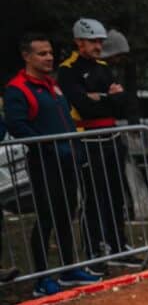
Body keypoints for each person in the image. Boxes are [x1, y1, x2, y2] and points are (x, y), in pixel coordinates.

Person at [5, 32, 102, 295]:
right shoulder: (17, 88)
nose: (49, 58)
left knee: (65, 214)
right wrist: (47, 145)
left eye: (50, 53)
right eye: (42, 54)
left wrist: (75, 149)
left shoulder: (52, 85)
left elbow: (66, 120)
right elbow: (17, 124)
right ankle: (42, 278)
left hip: (68, 160)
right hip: (44, 162)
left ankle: (70, 268)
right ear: (27, 56)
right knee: (46, 216)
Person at [57, 17, 132, 263]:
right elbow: (83, 106)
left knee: (116, 193)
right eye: (93, 42)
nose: (99, 46)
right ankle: (94, 249)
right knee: (94, 196)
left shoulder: (102, 66)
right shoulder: (69, 70)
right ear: (79, 42)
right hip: (88, 139)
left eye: (100, 41)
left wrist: (101, 98)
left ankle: (118, 244)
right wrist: (106, 98)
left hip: (111, 136)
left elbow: (122, 104)